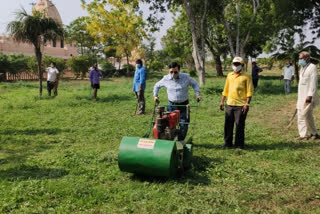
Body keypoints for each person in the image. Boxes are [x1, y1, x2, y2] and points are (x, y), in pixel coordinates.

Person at [153, 62, 201, 141]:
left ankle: (180, 141)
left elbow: (194, 84)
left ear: (179, 70)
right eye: (171, 72)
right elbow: (156, 86)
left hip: (184, 105)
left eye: (175, 72)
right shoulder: (166, 79)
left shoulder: (186, 77)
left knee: (184, 124)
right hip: (171, 105)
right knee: (169, 124)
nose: (173, 74)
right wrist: (155, 96)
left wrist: (197, 94)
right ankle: (171, 140)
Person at [220, 57, 254, 149]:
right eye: (234, 64)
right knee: (228, 125)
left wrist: (247, 104)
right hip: (230, 104)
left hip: (241, 105)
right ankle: (227, 143)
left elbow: (249, 91)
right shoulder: (229, 75)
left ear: (242, 65)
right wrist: (222, 102)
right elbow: (226, 89)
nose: (235, 66)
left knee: (239, 125)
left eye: (237, 64)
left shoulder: (246, 76)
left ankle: (239, 145)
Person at [296, 51, 319, 140]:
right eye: (299, 58)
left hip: (308, 97)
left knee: (304, 115)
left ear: (307, 58)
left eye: (301, 58)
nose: (300, 60)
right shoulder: (302, 68)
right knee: (304, 115)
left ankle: (311, 134)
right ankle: (305, 134)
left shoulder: (312, 67)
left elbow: (313, 83)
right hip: (301, 96)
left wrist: (309, 96)